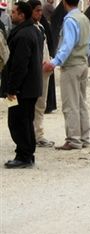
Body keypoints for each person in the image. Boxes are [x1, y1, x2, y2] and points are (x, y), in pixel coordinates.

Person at [42, 0, 90, 150]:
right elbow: (89, 43)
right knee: (81, 102)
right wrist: (83, 57)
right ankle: (84, 138)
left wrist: (55, 62)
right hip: (82, 63)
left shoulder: (70, 20)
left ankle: (73, 139)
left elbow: (67, 45)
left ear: (64, 2)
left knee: (70, 104)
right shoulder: (84, 18)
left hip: (71, 66)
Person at [0, 1, 43, 168]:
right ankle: (26, 153)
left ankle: (24, 156)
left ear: (22, 15)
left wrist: (12, 89)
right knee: (25, 121)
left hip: (21, 89)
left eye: (14, 12)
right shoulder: (33, 30)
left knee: (17, 122)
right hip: (30, 87)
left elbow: (19, 66)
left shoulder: (24, 35)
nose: (12, 15)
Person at [28, 0, 55, 147]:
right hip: (33, 73)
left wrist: (49, 62)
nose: (40, 13)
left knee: (41, 104)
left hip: (44, 72)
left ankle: (38, 134)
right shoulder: (26, 29)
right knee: (30, 105)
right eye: (37, 11)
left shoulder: (41, 27)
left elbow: (45, 48)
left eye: (40, 11)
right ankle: (30, 135)